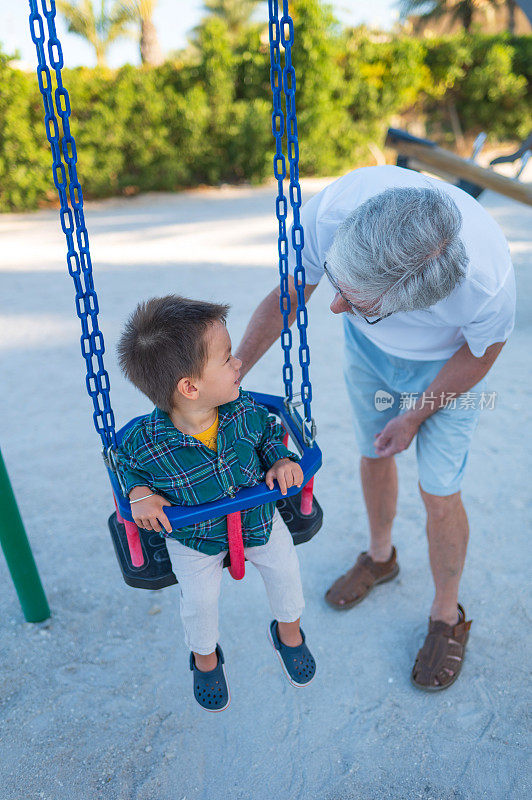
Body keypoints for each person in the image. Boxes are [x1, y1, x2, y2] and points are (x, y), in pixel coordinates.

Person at [235, 165, 516, 691]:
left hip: (445, 368)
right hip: (372, 356)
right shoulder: (337, 209)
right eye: (339, 283)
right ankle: (381, 557)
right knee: (373, 452)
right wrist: (237, 368)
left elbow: (479, 358)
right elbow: (293, 292)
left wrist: (414, 415)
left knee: (439, 490)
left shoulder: (487, 284)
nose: (336, 305)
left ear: (417, 301)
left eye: (357, 301)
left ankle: (445, 614)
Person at [114, 295, 316, 712]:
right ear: (190, 387)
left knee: (287, 572)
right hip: (193, 537)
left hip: (257, 519)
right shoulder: (146, 441)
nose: (239, 362)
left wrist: (281, 460)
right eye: (227, 359)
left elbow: (268, 439)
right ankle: (206, 659)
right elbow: (122, 464)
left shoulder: (244, 412)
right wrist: (139, 494)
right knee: (199, 602)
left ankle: (289, 633)